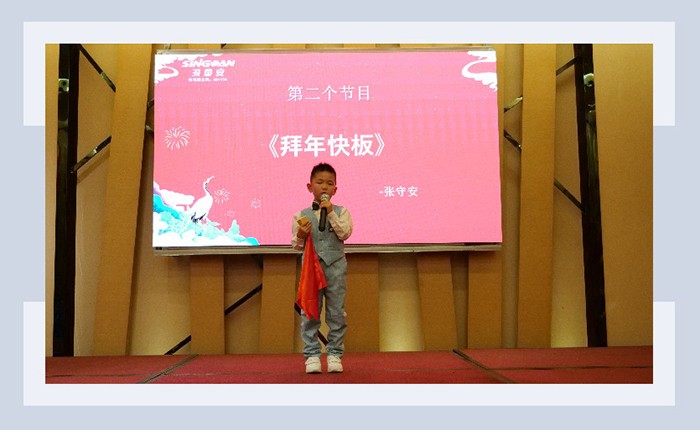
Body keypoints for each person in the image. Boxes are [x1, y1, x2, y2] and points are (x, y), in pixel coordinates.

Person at [292, 162, 353, 374]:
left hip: (336, 268)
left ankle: (335, 353)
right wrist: (301, 235)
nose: (324, 187)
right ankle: (312, 355)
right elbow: (296, 246)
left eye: (329, 183)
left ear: (335, 189)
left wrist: (331, 214)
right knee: (310, 312)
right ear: (310, 187)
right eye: (319, 182)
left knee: (336, 313)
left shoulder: (342, 212)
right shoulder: (300, 215)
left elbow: (345, 233)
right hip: (311, 269)